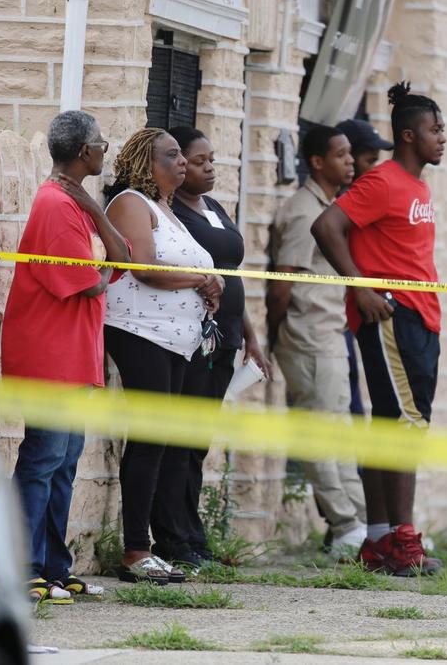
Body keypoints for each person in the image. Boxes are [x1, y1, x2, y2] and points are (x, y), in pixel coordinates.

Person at [312, 82, 445, 576]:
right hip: (392, 316)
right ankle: (404, 540)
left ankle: (380, 541)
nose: (442, 138)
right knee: (406, 427)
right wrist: (361, 288)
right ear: (409, 136)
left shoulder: (419, 186)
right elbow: (326, 226)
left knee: (394, 425)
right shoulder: (382, 181)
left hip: (422, 317)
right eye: (435, 130)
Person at [2, 110, 130, 602]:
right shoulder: (56, 204)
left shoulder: (77, 203)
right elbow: (89, 281)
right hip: (49, 356)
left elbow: (120, 258)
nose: (104, 149)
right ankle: (24, 568)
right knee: (42, 460)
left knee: (65, 463)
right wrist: (104, 272)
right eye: (100, 143)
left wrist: (96, 211)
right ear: (84, 152)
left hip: (76, 355)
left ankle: (56, 567)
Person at [102, 128, 225, 584]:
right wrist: (202, 280)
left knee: (162, 440)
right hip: (140, 332)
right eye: (172, 155)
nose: (182, 163)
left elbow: (191, 270)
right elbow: (145, 268)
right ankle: (136, 550)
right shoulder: (131, 202)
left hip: (177, 340)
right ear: (145, 163)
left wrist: (212, 285)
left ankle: (150, 545)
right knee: (149, 439)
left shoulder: (167, 209)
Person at [159, 126, 272, 568]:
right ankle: (174, 537)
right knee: (181, 441)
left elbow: (230, 275)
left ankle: (191, 532)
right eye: (198, 161)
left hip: (228, 337)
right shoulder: (171, 214)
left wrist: (252, 338)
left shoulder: (214, 208)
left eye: (212, 161)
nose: (208, 169)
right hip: (195, 338)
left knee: (199, 442)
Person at [267, 125, 367, 559]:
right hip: (306, 335)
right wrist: (275, 334)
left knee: (339, 431)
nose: (350, 161)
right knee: (320, 432)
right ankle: (344, 525)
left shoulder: (329, 207)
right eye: (341, 154)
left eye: (350, 154)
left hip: (330, 333)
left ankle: (363, 523)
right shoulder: (303, 211)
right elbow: (282, 284)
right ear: (317, 162)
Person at [336, 118, 395, 417]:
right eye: (369, 161)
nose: (375, 169)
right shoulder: (338, 211)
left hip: (350, 317)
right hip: (332, 319)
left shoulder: (365, 202)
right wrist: (360, 289)